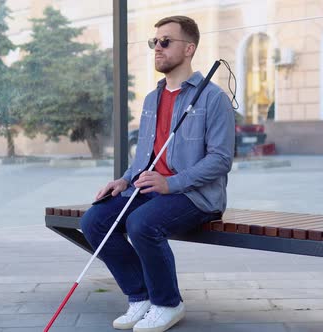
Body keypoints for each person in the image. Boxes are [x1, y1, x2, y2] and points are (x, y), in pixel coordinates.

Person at [80, 16, 234, 332]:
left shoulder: (212, 98)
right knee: (94, 221)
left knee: (142, 223)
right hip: (151, 189)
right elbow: (145, 158)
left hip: (195, 195)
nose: (157, 48)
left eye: (166, 41)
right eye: (155, 42)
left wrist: (171, 183)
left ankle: (168, 303)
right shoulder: (153, 99)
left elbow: (220, 160)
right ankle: (140, 296)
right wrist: (124, 180)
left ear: (189, 48)